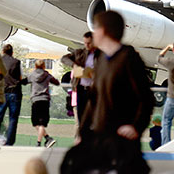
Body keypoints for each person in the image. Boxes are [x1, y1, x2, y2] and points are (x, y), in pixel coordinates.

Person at [61, 11, 154, 174]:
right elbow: (94, 99)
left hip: (122, 141)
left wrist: (135, 127)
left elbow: (146, 98)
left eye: (96, 29)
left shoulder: (129, 58)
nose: (93, 33)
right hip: (100, 135)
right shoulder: (103, 59)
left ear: (103, 31)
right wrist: (82, 132)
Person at [60, 32, 99, 130]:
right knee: (81, 119)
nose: (87, 45)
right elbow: (64, 58)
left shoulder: (101, 55)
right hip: (81, 89)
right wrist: (74, 65)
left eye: (89, 43)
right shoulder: (79, 53)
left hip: (95, 90)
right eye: (85, 43)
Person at [0, 44, 26, 146]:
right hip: (14, 92)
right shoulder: (16, 62)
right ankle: (10, 142)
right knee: (13, 119)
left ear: (3, 51)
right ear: (12, 52)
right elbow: (20, 77)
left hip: (1, 92)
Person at [28, 59, 60, 147]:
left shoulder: (32, 74)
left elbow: (25, 81)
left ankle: (39, 142)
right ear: (44, 66)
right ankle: (47, 138)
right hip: (45, 100)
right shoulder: (47, 75)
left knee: (35, 122)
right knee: (42, 122)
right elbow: (56, 83)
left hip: (35, 99)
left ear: (35, 66)